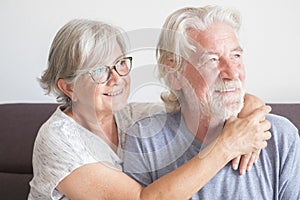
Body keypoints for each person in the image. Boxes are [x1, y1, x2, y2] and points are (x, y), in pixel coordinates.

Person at [28, 18, 271, 200]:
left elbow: (200, 102)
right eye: (99, 71)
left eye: (120, 63)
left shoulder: (133, 116)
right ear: (68, 87)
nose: (117, 78)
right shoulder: (57, 139)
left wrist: (251, 108)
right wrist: (227, 146)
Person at [123, 5, 300, 199]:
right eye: (212, 60)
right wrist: (227, 145)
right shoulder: (145, 140)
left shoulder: (280, 137)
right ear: (174, 74)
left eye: (236, 56)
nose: (233, 73)